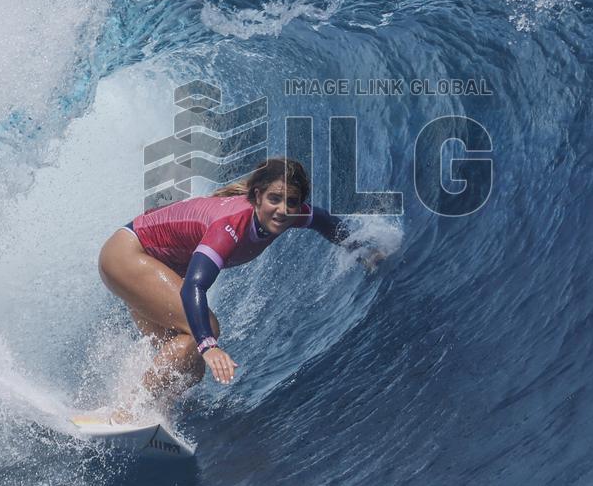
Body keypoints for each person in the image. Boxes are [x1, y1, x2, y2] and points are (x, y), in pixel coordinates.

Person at [97, 157, 383, 417]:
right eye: (275, 199)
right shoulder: (230, 226)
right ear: (257, 196)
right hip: (129, 256)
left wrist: (362, 249)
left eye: (292, 202)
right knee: (205, 332)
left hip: (153, 264)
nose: (283, 210)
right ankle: (128, 409)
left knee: (190, 364)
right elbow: (192, 288)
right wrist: (210, 345)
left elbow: (323, 221)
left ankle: (152, 413)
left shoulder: (284, 214)